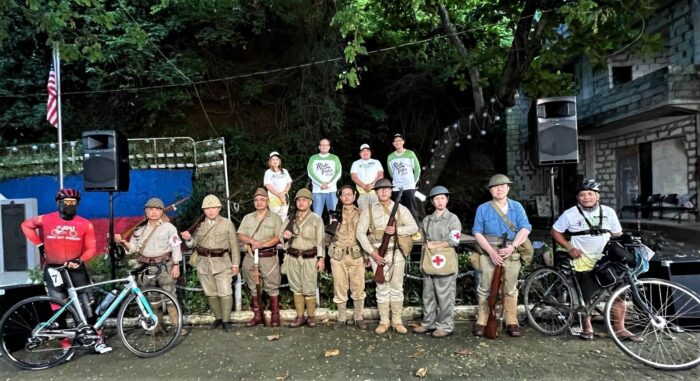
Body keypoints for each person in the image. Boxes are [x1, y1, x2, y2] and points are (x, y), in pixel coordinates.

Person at [21, 188, 112, 354]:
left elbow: (91, 248)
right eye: (67, 202)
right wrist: (39, 244)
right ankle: (65, 346)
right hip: (54, 270)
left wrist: (80, 259)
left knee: (88, 307)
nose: (70, 205)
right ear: (59, 203)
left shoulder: (85, 224)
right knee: (58, 309)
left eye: (73, 203)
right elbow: (26, 225)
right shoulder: (46, 219)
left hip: (76, 270)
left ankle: (97, 339)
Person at [551, 179, 638, 341]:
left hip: (606, 259)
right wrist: (569, 247)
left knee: (619, 292)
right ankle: (587, 326)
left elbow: (617, 234)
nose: (586, 197)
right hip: (582, 259)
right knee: (587, 296)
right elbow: (555, 232)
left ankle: (620, 328)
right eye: (582, 194)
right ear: (578, 197)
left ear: (597, 196)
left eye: (590, 194)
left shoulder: (609, 212)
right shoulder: (570, 214)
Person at [115, 197, 187, 336]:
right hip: (145, 267)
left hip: (165, 265)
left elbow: (176, 247)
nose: (153, 212)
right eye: (150, 209)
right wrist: (123, 242)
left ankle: (177, 326)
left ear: (162, 211)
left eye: (157, 209)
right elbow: (133, 249)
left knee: (170, 296)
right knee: (150, 297)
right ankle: (156, 326)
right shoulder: (139, 229)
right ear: (146, 211)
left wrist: (176, 265)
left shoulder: (169, 227)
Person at [356, 178, 418, 335]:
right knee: (382, 288)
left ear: (391, 191)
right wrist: (372, 253)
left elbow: (413, 227)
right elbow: (360, 233)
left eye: (386, 189)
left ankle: (397, 321)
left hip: (396, 252)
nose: (383, 191)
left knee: (397, 288)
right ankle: (384, 321)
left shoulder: (401, 209)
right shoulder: (369, 210)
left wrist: (397, 231)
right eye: (380, 189)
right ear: (375, 192)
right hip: (378, 254)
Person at [472, 174, 531, 338]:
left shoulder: (517, 207)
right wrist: (491, 252)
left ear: (508, 188)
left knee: (510, 288)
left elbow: (525, 228)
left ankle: (511, 320)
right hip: (489, 251)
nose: (499, 189)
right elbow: (477, 232)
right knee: (485, 288)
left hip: (511, 252)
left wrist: (513, 247)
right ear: (491, 190)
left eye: (503, 186)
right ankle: (483, 319)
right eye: (495, 187)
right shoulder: (483, 208)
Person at [180, 195, 239, 332]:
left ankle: (226, 321)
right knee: (211, 293)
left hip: (222, 262)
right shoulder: (200, 225)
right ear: (203, 210)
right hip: (204, 263)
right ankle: (218, 318)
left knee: (225, 292)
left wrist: (235, 264)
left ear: (219, 208)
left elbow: (234, 246)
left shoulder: (227, 223)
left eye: (213, 207)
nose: (211, 211)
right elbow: (193, 244)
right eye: (207, 208)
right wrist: (188, 239)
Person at [413, 186, 462, 338]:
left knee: (445, 295)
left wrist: (436, 245)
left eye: (442, 198)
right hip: (429, 261)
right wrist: (421, 262)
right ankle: (429, 323)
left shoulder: (452, 219)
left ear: (447, 199)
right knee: (428, 294)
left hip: (445, 261)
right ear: (432, 202)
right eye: (436, 199)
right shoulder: (427, 220)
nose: (440, 201)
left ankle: (445, 326)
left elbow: (454, 240)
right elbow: (424, 243)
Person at [238, 188, 284, 327]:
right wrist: (252, 242)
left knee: (272, 286)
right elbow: (240, 234)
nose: (259, 202)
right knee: (253, 286)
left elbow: (278, 237)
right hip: (251, 256)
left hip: (268, 256)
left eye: (262, 200)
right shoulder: (247, 218)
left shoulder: (275, 218)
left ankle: (275, 316)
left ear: (267, 201)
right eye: (256, 200)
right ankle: (257, 315)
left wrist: (262, 244)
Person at [281, 188, 325, 328]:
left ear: (310, 202)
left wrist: (321, 258)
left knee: (309, 287)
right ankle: (300, 316)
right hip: (293, 257)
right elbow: (281, 236)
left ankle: (311, 317)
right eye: (299, 200)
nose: (301, 202)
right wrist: (285, 236)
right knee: (296, 288)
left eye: (304, 200)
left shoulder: (316, 219)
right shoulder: (290, 218)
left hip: (309, 257)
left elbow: (321, 240)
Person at [329, 185, 367, 330]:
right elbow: (327, 236)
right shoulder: (334, 214)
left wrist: (368, 255)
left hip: (356, 254)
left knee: (358, 286)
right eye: (343, 194)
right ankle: (341, 317)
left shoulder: (362, 213)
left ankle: (358, 316)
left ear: (355, 196)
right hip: (338, 256)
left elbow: (366, 235)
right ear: (339, 197)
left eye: (349, 194)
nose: (346, 197)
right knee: (339, 286)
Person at [386, 133, 421, 221]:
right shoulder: (390, 157)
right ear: (393, 143)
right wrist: (397, 180)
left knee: (411, 209)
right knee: (398, 209)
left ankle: (415, 230)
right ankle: (400, 230)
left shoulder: (410, 153)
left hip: (409, 186)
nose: (397, 142)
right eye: (395, 141)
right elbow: (391, 172)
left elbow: (417, 169)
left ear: (403, 142)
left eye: (399, 140)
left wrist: (413, 183)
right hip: (397, 187)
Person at [307, 138, 342, 219]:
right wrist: (320, 184)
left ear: (329, 147)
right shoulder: (313, 158)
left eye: (326, 145)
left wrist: (329, 184)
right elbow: (310, 173)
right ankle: (317, 230)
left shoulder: (335, 158)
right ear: (319, 147)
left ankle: (332, 230)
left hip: (332, 189)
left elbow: (338, 173)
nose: (324, 146)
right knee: (317, 214)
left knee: (333, 213)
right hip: (317, 189)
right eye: (322, 145)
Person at [350, 143, 384, 210]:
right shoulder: (356, 163)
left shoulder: (376, 162)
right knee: (363, 215)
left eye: (367, 151)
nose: (365, 152)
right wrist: (364, 186)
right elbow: (353, 176)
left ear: (370, 153)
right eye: (363, 151)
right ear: (360, 154)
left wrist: (371, 185)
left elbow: (381, 175)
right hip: (362, 193)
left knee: (377, 214)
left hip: (375, 193)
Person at [264, 151, 293, 222]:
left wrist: (284, 192)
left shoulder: (285, 171)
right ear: (270, 161)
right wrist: (279, 195)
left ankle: (282, 232)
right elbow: (268, 185)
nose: (275, 161)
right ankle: (275, 232)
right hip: (274, 197)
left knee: (284, 215)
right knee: (274, 216)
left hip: (284, 197)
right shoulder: (268, 172)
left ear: (279, 161)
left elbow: (289, 182)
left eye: (277, 159)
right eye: (273, 159)